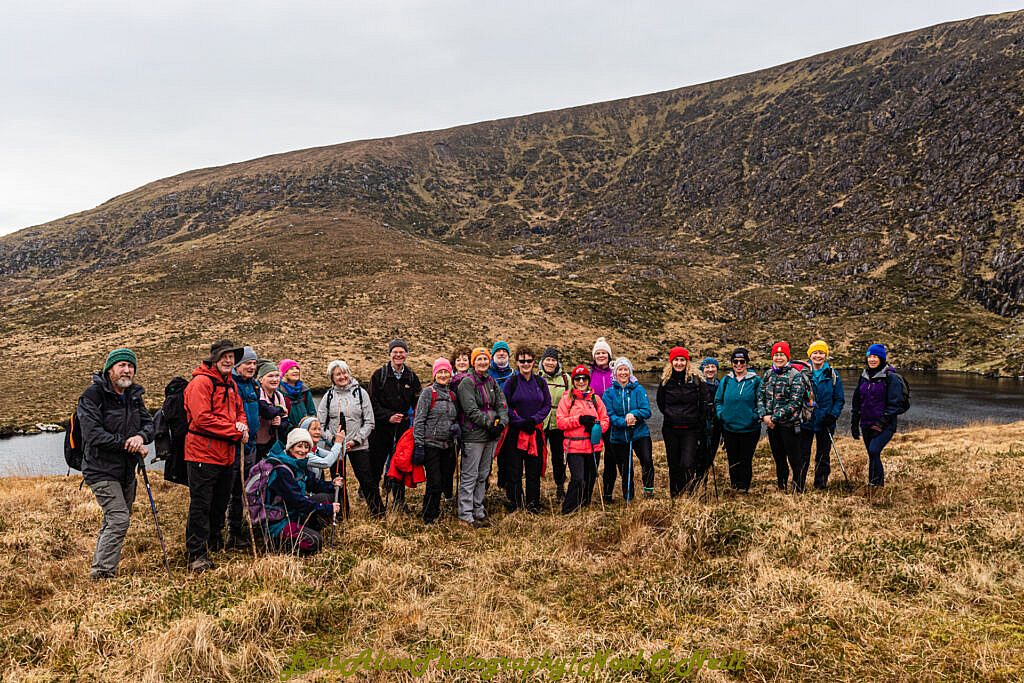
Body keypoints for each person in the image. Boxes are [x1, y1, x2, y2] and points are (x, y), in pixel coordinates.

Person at [77, 348, 154, 579]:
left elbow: (150, 424)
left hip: (127, 469)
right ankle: (101, 574)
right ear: (109, 369)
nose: (127, 370)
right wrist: (127, 443)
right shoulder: (92, 396)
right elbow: (93, 435)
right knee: (119, 519)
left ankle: (102, 563)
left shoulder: (133, 396)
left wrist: (140, 437)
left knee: (116, 518)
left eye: (130, 366)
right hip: (100, 469)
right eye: (121, 365)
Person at [183, 340, 248, 573]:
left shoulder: (231, 384)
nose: (229, 361)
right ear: (214, 358)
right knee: (201, 504)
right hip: (202, 452)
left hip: (226, 454)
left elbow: (239, 410)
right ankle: (196, 553)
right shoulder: (201, 382)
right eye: (224, 356)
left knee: (220, 502)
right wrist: (234, 431)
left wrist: (243, 425)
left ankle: (213, 541)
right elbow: (202, 418)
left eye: (232, 357)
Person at [261, 428, 343, 555]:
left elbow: (313, 483)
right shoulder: (282, 470)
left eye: (306, 447)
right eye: (299, 446)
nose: (303, 450)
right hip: (277, 523)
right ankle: (277, 545)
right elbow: (298, 502)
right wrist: (326, 508)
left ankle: (303, 530)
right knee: (315, 541)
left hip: (293, 515)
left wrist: (331, 485)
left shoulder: (297, 464)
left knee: (326, 497)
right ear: (290, 447)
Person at [317, 360, 383, 516]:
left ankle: (378, 513)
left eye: (344, 372)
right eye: (338, 374)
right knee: (338, 481)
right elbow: (320, 425)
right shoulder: (328, 397)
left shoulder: (361, 393)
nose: (342, 376)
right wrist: (334, 441)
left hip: (358, 445)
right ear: (332, 378)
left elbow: (369, 421)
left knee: (367, 480)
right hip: (335, 448)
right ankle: (341, 514)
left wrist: (356, 441)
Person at [456, 347, 508, 527]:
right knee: (470, 475)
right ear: (473, 362)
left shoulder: (491, 381)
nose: (483, 362)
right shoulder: (467, 383)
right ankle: (465, 514)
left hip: (491, 436)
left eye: (485, 359)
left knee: (483, 474)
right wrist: (490, 424)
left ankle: (478, 509)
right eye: (479, 359)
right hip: (474, 435)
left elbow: (502, 404)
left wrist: (501, 422)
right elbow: (471, 410)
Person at [369, 339, 422, 505]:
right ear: (390, 354)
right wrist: (388, 416)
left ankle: (399, 501)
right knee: (376, 463)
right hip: (381, 428)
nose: (398, 355)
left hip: (403, 428)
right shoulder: (379, 375)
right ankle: (372, 498)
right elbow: (371, 403)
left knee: (400, 462)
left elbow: (418, 403)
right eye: (395, 352)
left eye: (402, 352)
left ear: (406, 354)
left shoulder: (411, 377)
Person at [501, 346, 552, 513]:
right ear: (516, 363)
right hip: (515, 433)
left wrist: (534, 420)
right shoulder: (511, 382)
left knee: (533, 471)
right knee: (514, 470)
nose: (525, 364)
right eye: (522, 361)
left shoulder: (540, 382)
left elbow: (546, 405)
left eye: (529, 360)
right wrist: (519, 421)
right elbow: (505, 405)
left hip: (535, 432)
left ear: (533, 362)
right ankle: (516, 502)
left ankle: (533, 504)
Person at [756, 341, 811, 493]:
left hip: (789, 425)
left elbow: (795, 402)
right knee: (779, 458)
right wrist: (764, 416)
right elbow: (760, 396)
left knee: (795, 459)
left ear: (787, 356)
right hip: (772, 426)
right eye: (776, 355)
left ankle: (798, 488)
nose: (779, 357)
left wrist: (773, 417)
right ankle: (781, 486)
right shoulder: (768, 374)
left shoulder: (795, 376)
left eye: (782, 355)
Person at [557, 364, 610, 513]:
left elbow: (605, 420)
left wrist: (596, 427)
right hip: (574, 446)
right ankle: (568, 509)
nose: (581, 381)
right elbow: (561, 422)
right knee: (578, 479)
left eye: (584, 378)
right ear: (573, 381)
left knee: (591, 477)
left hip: (593, 445)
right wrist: (579, 420)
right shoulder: (567, 399)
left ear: (588, 380)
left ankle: (584, 504)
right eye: (577, 379)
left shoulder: (596, 399)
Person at [413, 358, 460, 524]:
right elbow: (419, 420)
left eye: (446, 371)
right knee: (434, 482)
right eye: (439, 371)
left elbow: (454, 417)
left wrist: (456, 427)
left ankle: (436, 511)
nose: (443, 374)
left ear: (450, 374)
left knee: (445, 478)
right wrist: (419, 444)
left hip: (448, 445)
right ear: (434, 374)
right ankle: (428, 516)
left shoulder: (452, 395)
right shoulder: (428, 393)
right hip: (430, 444)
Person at [852, 344, 905, 487]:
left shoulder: (890, 377)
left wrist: (881, 423)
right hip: (866, 423)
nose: (872, 359)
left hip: (885, 425)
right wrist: (854, 423)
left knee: (874, 450)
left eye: (875, 356)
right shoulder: (863, 376)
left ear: (881, 358)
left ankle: (876, 484)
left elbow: (895, 404)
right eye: (870, 356)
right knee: (872, 454)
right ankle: (874, 485)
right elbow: (857, 400)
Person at [656, 347, 707, 497]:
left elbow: (704, 403)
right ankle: (675, 493)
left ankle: (689, 491)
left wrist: (698, 420)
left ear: (687, 361)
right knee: (673, 464)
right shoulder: (665, 381)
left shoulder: (697, 380)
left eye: (682, 360)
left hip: (691, 429)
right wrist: (671, 415)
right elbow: (660, 403)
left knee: (687, 462)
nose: (679, 363)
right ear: (671, 362)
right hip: (671, 429)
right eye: (676, 360)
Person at [602, 357, 653, 501]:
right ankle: (628, 497)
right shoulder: (609, 393)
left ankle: (649, 491)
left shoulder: (638, 389)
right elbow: (609, 415)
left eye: (626, 369)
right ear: (615, 372)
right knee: (625, 469)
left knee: (647, 461)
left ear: (630, 372)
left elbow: (646, 411)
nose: (623, 372)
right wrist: (624, 421)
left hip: (640, 433)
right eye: (620, 369)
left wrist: (634, 414)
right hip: (619, 436)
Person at [714, 348, 762, 493]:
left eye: (742, 361)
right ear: (732, 363)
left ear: (747, 363)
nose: (739, 364)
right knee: (733, 458)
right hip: (729, 428)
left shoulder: (755, 380)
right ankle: (734, 484)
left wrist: (754, 417)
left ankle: (744, 486)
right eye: (735, 361)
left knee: (746, 459)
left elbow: (761, 402)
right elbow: (718, 401)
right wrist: (722, 414)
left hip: (750, 428)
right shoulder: (726, 380)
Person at [799, 340, 845, 490]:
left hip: (826, 422)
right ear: (810, 354)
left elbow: (839, 399)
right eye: (815, 352)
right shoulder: (801, 373)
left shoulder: (833, 375)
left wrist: (833, 416)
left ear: (825, 355)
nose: (818, 356)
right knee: (802, 455)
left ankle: (820, 484)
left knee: (823, 455)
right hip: (806, 420)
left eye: (821, 353)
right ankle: (799, 484)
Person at [226, 346, 259, 550]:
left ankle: (239, 530)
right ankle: (232, 534)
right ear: (238, 366)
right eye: (248, 363)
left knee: (245, 489)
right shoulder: (231, 385)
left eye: (254, 363)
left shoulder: (253, 385)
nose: (252, 367)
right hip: (235, 445)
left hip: (251, 446)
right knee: (234, 492)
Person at [539, 347, 571, 502]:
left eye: (553, 360)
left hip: (559, 423)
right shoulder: (537, 377)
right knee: (537, 456)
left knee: (559, 457)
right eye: (547, 360)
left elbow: (572, 399)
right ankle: (536, 486)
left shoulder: (566, 379)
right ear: (542, 361)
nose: (550, 363)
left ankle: (560, 487)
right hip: (541, 422)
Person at [255, 360, 289, 458]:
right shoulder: (258, 393)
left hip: (272, 442)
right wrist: (279, 409)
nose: (274, 379)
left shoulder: (279, 396)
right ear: (261, 379)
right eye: (270, 376)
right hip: (257, 443)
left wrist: (279, 423)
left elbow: (285, 421)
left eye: (277, 376)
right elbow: (267, 412)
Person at [698, 357, 722, 485]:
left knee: (710, 455)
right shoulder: (698, 385)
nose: (710, 370)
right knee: (700, 455)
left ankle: (704, 479)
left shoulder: (721, 385)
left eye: (713, 367)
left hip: (716, 426)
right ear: (703, 369)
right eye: (707, 367)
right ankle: (699, 480)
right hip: (701, 426)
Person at [279, 359, 316, 424]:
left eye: (297, 369)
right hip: (287, 429)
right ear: (285, 373)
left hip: (304, 429)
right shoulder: (279, 391)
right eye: (291, 369)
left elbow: (311, 412)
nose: (296, 371)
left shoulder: (305, 390)